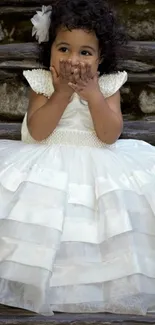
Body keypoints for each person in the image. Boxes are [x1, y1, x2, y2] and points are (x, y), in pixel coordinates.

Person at [0, 0, 155, 316]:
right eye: (64, 49)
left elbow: (109, 135)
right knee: (41, 220)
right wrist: (60, 94)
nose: (74, 59)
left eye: (85, 52)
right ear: (50, 50)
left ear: (100, 58)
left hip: (97, 161)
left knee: (93, 226)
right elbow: (38, 132)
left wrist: (93, 95)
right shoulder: (43, 82)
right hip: (46, 162)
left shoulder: (107, 85)